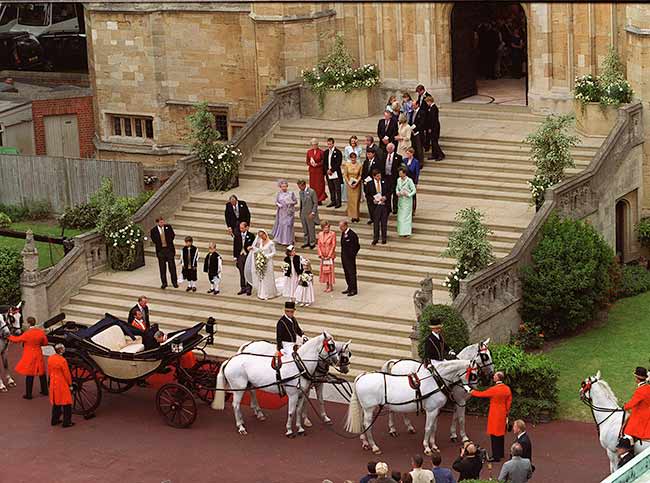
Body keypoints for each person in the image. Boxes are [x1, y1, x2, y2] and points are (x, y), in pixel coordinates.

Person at [469, 371, 513, 462]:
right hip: (503, 413)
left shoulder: (494, 389)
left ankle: (496, 456)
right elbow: (509, 402)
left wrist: (471, 391)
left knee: (494, 435)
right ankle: (500, 453)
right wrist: (506, 412)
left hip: (494, 413)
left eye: (495, 376)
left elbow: (481, 394)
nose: (493, 377)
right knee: (501, 434)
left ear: (498, 378)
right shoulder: (507, 389)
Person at [8, 316, 48, 399]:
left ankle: (29, 394)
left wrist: (8, 336)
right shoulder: (40, 332)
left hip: (30, 355)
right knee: (42, 373)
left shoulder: (27, 333)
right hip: (38, 353)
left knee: (30, 375)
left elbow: (17, 340)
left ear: (28, 323)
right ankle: (45, 390)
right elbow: (45, 342)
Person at [245, 229, 278, 300]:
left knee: (268, 276)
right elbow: (259, 250)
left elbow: (274, 252)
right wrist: (253, 248)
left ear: (265, 234)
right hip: (261, 261)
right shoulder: (260, 242)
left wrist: (266, 256)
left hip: (268, 262)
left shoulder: (271, 243)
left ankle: (269, 293)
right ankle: (262, 293)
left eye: (262, 235)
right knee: (262, 276)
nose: (261, 237)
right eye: (260, 236)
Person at [48, 343, 74, 428]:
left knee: (56, 403)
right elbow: (67, 374)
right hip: (61, 383)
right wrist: (70, 384)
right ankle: (67, 422)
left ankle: (54, 420)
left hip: (53, 382)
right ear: (61, 350)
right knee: (67, 403)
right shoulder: (62, 361)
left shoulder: (50, 358)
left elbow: (49, 370)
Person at [623, 366, 650, 441]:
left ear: (637, 378)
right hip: (648, 412)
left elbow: (632, 403)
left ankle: (629, 448)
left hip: (641, 415)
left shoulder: (640, 390)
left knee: (627, 432)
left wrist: (624, 407)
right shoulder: (648, 387)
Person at [149, 217, 178, 289]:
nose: (162, 223)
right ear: (157, 223)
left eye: (163, 222)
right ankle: (164, 283)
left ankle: (174, 282)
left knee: (172, 267)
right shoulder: (154, 230)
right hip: (161, 251)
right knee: (162, 268)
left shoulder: (168, 227)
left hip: (169, 250)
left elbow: (172, 235)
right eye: (160, 222)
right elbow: (154, 240)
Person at [271, 179, 297, 246]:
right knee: (282, 225)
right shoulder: (279, 194)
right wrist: (278, 204)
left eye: (285, 186)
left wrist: (291, 202)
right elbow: (276, 202)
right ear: (280, 187)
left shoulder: (291, 193)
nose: (284, 188)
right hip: (282, 212)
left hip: (289, 212)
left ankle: (288, 240)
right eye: (283, 187)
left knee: (288, 225)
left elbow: (295, 201)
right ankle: (281, 239)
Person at [362, 148, 385, 225]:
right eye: (367, 154)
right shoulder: (366, 162)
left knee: (377, 201)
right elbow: (364, 173)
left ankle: (378, 217)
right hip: (367, 184)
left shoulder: (378, 162)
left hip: (375, 184)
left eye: (369, 154)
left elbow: (379, 172)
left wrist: (373, 179)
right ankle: (372, 217)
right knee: (370, 203)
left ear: (373, 154)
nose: (368, 155)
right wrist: (364, 180)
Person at [367, 169, 389, 246]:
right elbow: (368, 195)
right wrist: (373, 200)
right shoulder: (369, 184)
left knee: (384, 223)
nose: (379, 177)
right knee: (376, 223)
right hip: (375, 206)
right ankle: (375, 238)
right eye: (377, 176)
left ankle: (384, 238)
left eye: (380, 175)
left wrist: (385, 197)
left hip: (384, 205)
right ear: (374, 176)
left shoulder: (384, 181)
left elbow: (388, 191)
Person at [297, 179, 320, 249]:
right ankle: (306, 242)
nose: (299, 188)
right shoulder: (300, 192)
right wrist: (300, 212)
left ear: (304, 185)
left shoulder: (311, 192)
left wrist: (313, 212)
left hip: (310, 213)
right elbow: (301, 203)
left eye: (300, 186)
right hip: (303, 213)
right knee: (305, 229)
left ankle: (312, 242)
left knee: (311, 228)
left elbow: (315, 203)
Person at [339, 219, 360, 296]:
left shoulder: (352, 234)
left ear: (345, 226)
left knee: (351, 273)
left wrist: (352, 255)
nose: (340, 228)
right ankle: (349, 287)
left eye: (341, 226)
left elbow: (357, 246)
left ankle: (354, 289)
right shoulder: (343, 233)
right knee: (346, 273)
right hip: (344, 256)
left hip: (350, 257)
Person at [234, 221, 255, 296]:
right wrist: (235, 257)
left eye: (242, 228)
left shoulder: (251, 236)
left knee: (248, 272)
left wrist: (250, 248)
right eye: (240, 228)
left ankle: (249, 288)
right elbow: (235, 246)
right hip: (240, 255)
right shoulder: (237, 235)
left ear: (247, 228)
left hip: (248, 256)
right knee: (241, 272)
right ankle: (243, 287)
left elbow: (254, 246)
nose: (241, 229)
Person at [323, 137, 343, 209]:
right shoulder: (325, 152)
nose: (329, 145)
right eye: (328, 144)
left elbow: (338, 163)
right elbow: (324, 163)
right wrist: (327, 170)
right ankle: (333, 201)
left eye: (330, 144)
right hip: (328, 173)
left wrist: (332, 170)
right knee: (331, 188)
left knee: (337, 188)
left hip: (335, 173)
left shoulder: (338, 152)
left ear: (333, 143)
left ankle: (338, 202)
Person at [396, 167, 416, 237]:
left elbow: (414, 190)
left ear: (404, 173)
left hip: (407, 201)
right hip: (401, 200)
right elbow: (397, 188)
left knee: (406, 217)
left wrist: (408, 194)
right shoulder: (398, 180)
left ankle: (407, 232)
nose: (400, 175)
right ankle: (401, 231)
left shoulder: (409, 180)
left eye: (401, 173)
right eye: (399, 173)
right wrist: (398, 193)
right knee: (400, 217)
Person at [343, 151, 363, 222]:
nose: (353, 160)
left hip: (357, 184)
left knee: (356, 200)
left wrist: (357, 182)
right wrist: (348, 182)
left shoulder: (360, 165)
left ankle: (356, 216)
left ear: (356, 158)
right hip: (349, 184)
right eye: (352, 158)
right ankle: (352, 216)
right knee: (351, 201)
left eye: (354, 158)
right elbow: (345, 175)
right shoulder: (347, 165)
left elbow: (361, 175)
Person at [317, 221, 336, 293]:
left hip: (329, 255)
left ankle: (331, 285)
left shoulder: (332, 234)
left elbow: (333, 245)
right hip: (323, 255)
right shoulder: (320, 234)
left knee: (330, 270)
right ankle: (327, 284)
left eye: (328, 227)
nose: (327, 229)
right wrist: (320, 254)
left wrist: (329, 255)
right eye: (325, 227)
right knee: (324, 270)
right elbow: (319, 245)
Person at [306, 138, 327, 204]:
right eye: (313, 145)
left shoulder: (321, 152)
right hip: (312, 171)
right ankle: (313, 198)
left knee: (319, 185)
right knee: (313, 185)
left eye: (315, 144)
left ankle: (319, 199)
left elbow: (323, 161)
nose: (314, 146)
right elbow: (307, 161)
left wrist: (317, 164)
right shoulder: (309, 152)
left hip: (319, 170)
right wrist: (311, 164)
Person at [425, 95, 445, 162]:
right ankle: (434, 154)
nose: (427, 104)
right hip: (433, 127)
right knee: (433, 142)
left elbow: (433, 120)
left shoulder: (434, 108)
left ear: (430, 101)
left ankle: (441, 154)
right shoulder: (431, 107)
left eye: (427, 102)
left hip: (434, 128)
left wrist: (430, 128)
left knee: (434, 142)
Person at [343, 136, 362, 204]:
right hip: (349, 164)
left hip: (357, 164)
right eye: (352, 141)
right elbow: (345, 157)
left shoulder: (359, 148)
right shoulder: (347, 148)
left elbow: (359, 156)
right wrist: (349, 164)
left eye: (354, 141)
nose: (353, 143)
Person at [383, 143, 401, 214]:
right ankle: (388, 208)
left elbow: (399, 168)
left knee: (394, 193)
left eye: (390, 148)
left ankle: (395, 208)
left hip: (394, 177)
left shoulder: (398, 157)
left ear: (393, 148)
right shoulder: (384, 155)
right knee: (387, 193)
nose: (389, 149)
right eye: (388, 148)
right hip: (386, 177)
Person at [404, 147, 421, 214]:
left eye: (408, 153)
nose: (407, 155)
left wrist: (416, 183)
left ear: (412, 153)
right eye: (407, 153)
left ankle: (413, 209)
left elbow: (417, 173)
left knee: (413, 195)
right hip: (405, 180)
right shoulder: (404, 160)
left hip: (412, 179)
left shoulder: (416, 161)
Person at [411, 100, 427, 166]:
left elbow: (422, 123)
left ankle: (420, 163)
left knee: (419, 148)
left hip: (418, 132)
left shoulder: (422, 112)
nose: (412, 106)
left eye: (414, 105)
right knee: (414, 147)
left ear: (417, 105)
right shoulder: (412, 112)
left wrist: (415, 128)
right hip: (412, 132)